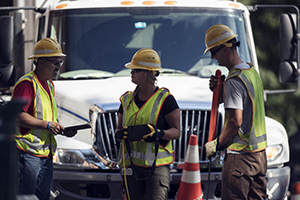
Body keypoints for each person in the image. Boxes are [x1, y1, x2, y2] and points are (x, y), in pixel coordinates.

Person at [204, 24, 268, 200]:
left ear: (225, 49)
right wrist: (222, 91)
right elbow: (248, 104)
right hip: (259, 156)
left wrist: (217, 144)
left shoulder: (234, 80)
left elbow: (235, 122)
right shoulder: (251, 71)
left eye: (214, 52)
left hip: (240, 159)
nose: (212, 57)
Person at [12, 38, 77, 200]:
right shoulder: (27, 84)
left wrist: (59, 129)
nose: (58, 67)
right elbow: (18, 115)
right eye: (55, 62)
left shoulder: (49, 85)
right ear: (40, 62)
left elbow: (45, 117)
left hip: (44, 154)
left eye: (60, 62)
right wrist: (48, 125)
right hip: (28, 154)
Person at [114, 48, 181, 200]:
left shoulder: (166, 99)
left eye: (135, 70)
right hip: (131, 166)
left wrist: (158, 134)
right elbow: (118, 131)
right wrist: (120, 134)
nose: (131, 73)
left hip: (157, 168)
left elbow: (177, 132)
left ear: (148, 72)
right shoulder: (126, 100)